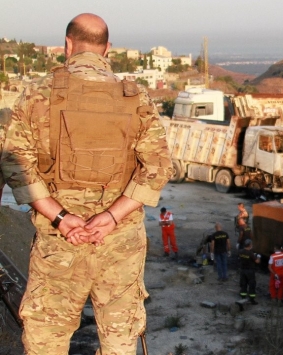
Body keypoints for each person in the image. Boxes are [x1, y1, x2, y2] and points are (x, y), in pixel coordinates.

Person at [0, 13, 173, 355]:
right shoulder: (136, 97)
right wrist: (109, 219)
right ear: (107, 49)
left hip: (59, 242)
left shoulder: (38, 94)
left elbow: (15, 163)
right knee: (120, 340)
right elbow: (159, 167)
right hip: (119, 243)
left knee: (46, 340)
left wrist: (62, 218)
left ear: (68, 45)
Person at [238, 239, 260, 305]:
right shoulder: (250, 253)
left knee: (243, 284)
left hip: (242, 270)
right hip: (250, 271)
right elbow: (257, 261)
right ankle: (252, 299)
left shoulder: (240, 251)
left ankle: (243, 297)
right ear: (250, 245)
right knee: (252, 285)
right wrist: (258, 257)